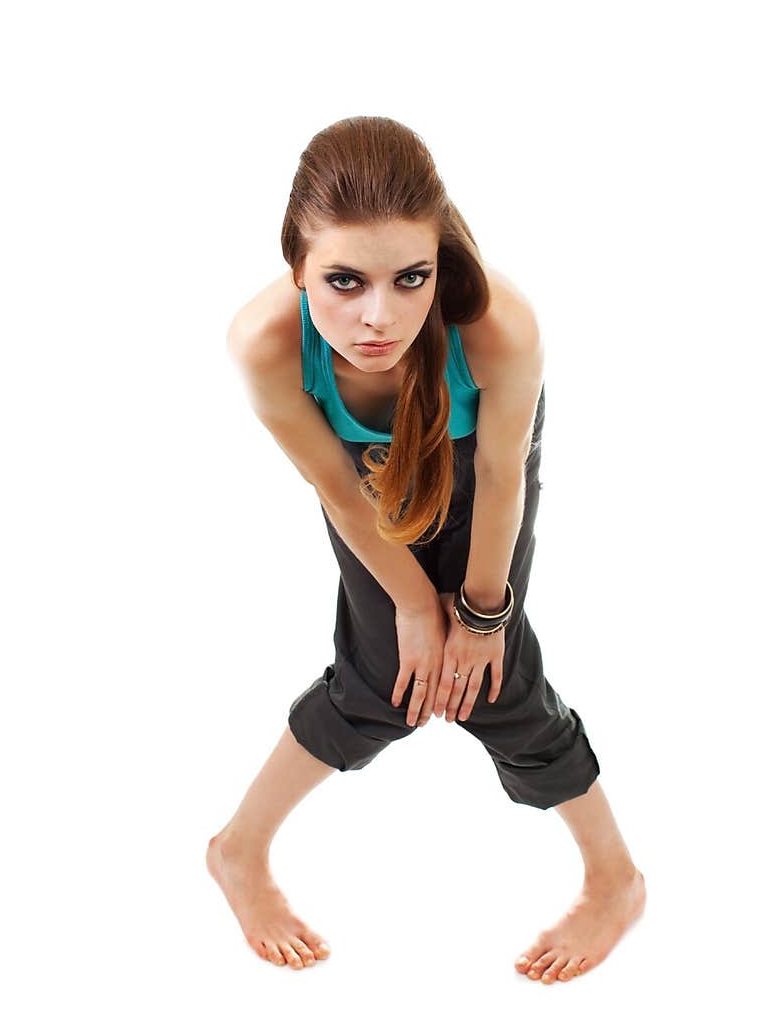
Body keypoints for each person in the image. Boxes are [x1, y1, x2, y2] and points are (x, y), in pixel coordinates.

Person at [207, 115, 646, 984]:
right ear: (298, 270)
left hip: (482, 462)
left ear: (439, 264)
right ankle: (237, 853)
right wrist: (414, 606)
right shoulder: (265, 344)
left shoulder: (498, 327)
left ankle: (615, 881)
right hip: (365, 483)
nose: (380, 317)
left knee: (493, 676)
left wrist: (482, 614)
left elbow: (506, 473)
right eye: (343, 281)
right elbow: (337, 489)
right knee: (387, 680)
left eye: (411, 278)